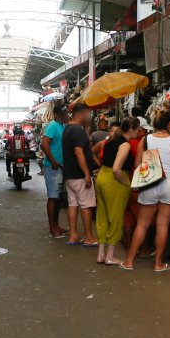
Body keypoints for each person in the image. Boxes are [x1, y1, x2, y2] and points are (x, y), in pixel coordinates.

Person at [120, 111, 170, 273]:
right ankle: (158, 263)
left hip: (151, 182)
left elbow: (138, 164)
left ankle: (129, 261)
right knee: (163, 224)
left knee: (142, 224)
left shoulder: (145, 140)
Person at [94, 119, 139, 265]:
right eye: (137, 129)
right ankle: (110, 256)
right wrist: (127, 183)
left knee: (102, 217)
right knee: (116, 218)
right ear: (131, 129)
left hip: (102, 177)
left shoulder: (110, 140)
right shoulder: (125, 145)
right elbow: (116, 169)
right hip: (114, 181)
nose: (139, 132)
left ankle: (101, 255)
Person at [61, 105, 97, 247]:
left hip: (70, 175)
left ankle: (74, 236)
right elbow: (79, 153)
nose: (89, 117)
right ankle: (88, 237)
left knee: (73, 204)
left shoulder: (68, 129)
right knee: (86, 206)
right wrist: (87, 174)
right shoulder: (77, 131)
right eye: (88, 114)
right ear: (80, 114)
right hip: (80, 175)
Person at [40, 105, 66, 238]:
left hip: (59, 167)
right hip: (52, 167)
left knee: (57, 198)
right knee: (53, 197)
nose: (65, 115)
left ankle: (56, 225)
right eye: (62, 113)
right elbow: (44, 144)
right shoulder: (52, 125)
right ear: (56, 114)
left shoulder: (63, 126)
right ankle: (52, 229)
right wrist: (53, 161)